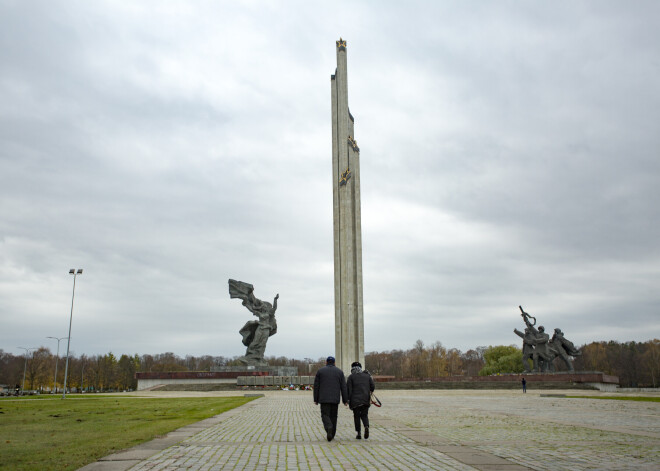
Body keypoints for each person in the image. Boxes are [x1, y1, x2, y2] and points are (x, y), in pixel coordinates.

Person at [313, 356, 348, 442]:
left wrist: (316, 399)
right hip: (335, 399)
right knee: (334, 416)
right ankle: (332, 434)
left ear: (326, 362)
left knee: (325, 415)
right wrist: (345, 400)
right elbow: (343, 387)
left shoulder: (320, 371)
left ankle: (329, 427)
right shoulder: (339, 372)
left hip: (324, 398)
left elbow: (316, 386)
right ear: (334, 363)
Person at [347, 361, 375, 440]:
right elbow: (372, 386)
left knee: (356, 416)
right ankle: (366, 426)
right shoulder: (367, 376)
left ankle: (358, 433)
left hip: (355, 401)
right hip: (365, 399)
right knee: (364, 415)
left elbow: (349, 389)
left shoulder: (351, 377)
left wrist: (347, 400)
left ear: (352, 368)